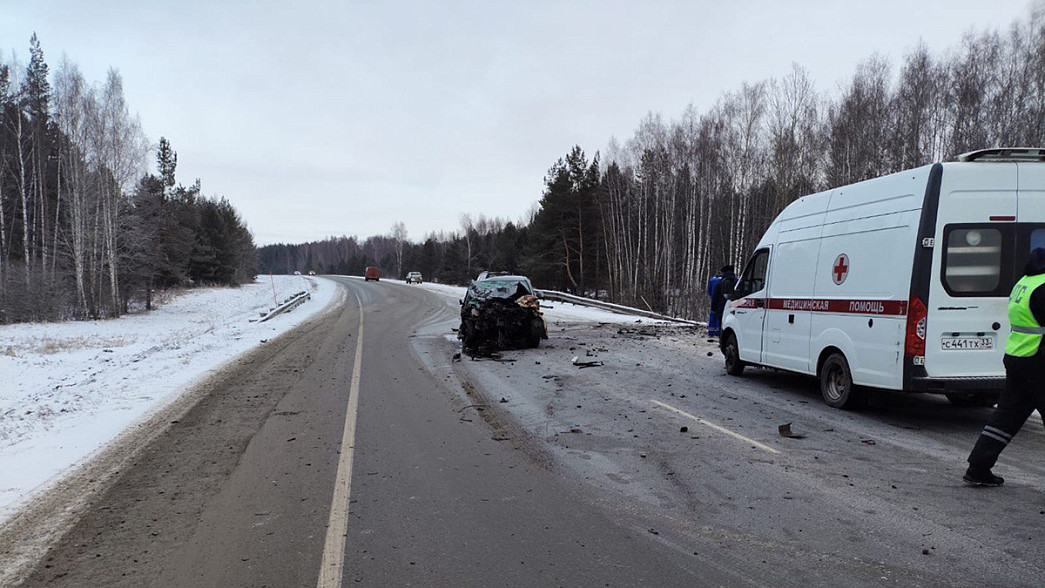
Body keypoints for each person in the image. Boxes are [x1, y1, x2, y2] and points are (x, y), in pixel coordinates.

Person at [964, 248, 1045, 486]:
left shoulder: (1025, 282)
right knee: (1006, 416)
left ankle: (978, 468)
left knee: (1005, 417)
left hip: (1019, 357)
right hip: (1038, 361)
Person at [710, 264, 737, 338]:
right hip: (736, 307)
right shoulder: (738, 283)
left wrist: (713, 308)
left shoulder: (719, 283)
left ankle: (722, 340)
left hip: (721, 308)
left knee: (722, 325)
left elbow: (714, 297)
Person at [707, 271, 723, 337]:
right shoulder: (723, 281)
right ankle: (718, 332)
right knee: (719, 317)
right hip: (721, 301)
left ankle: (711, 332)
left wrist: (711, 296)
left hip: (713, 299)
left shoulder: (712, 280)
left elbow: (709, 291)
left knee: (712, 315)